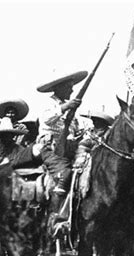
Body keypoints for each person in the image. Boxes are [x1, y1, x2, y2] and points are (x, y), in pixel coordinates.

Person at [35, 70, 88, 199]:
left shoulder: (72, 108)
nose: (71, 91)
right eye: (68, 87)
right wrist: (65, 107)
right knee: (64, 172)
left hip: (68, 146)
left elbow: (75, 127)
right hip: (49, 146)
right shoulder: (48, 104)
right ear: (58, 88)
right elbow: (47, 119)